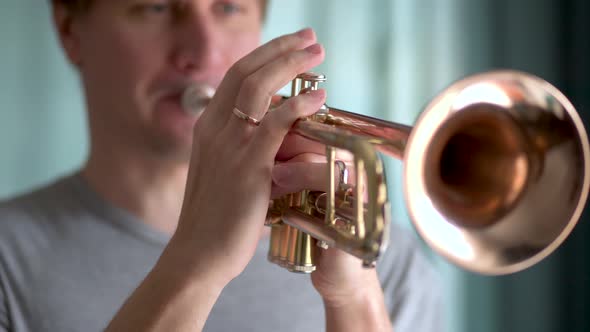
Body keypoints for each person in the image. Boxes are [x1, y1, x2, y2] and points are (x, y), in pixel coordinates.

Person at [0, 0, 443, 331]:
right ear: (69, 29)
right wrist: (196, 261)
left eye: (229, 7)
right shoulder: (8, 260)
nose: (203, 53)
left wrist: (354, 296)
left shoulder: (388, 260)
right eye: (155, 7)